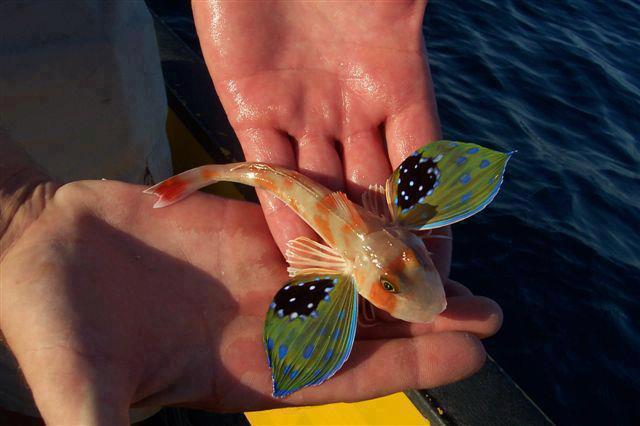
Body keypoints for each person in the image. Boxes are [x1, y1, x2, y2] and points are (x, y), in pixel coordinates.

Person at [0, 1, 502, 424]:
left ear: (411, 241)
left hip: (86, 36)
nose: (417, 266)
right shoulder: (354, 256)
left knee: (120, 137)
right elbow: (319, 254)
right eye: (389, 286)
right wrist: (12, 215)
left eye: (414, 264)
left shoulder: (385, 235)